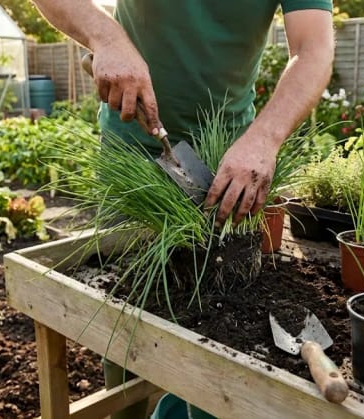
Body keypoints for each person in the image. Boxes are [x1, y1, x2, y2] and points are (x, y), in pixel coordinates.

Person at [32, 1, 335, 417]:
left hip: (229, 163)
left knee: (217, 320)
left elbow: (314, 46)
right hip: (133, 150)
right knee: (127, 319)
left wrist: (264, 138)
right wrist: (106, 37)